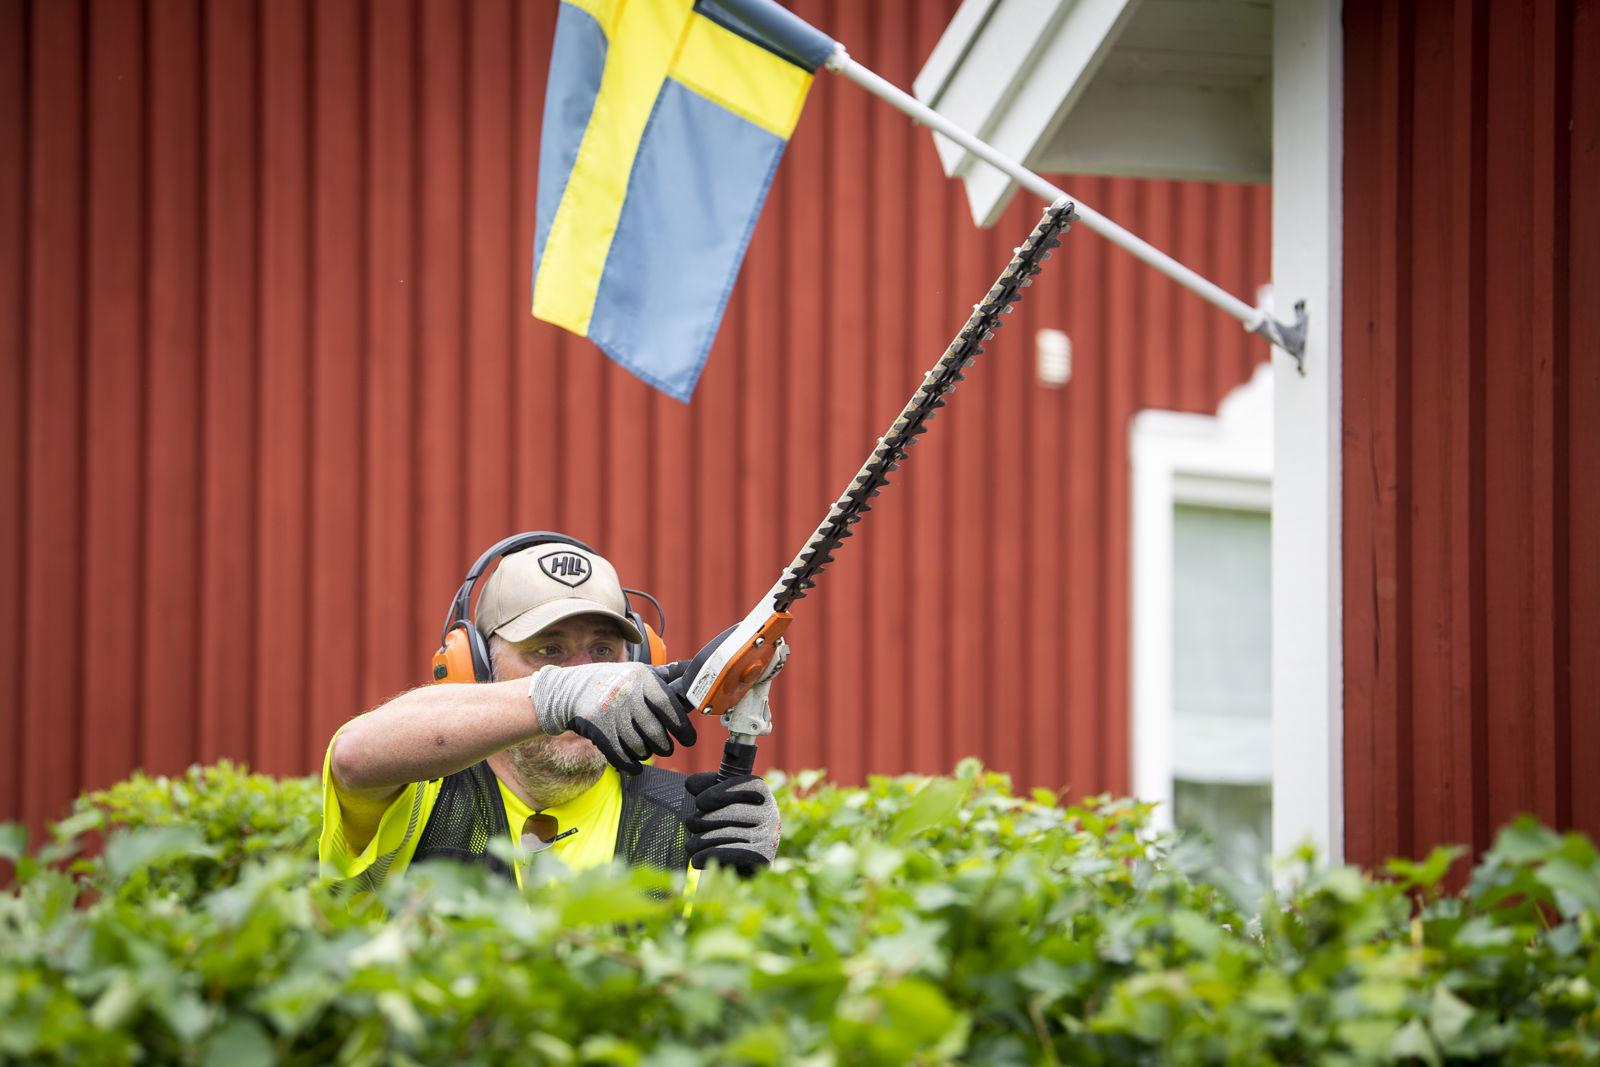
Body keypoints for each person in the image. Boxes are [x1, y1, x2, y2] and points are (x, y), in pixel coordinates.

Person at [319, 533, 780, 890]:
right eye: (548, 650)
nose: (588, 677)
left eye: (603, 650)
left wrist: (740, 885)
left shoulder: (692, 820)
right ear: (475, 667)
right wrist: (554, 698)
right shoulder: (416, 797)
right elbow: (354, 756)